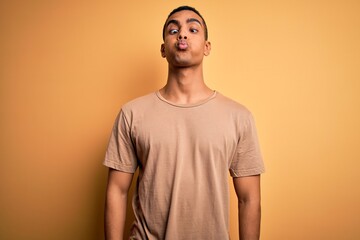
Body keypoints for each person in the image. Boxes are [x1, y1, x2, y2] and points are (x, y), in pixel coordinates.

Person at [104, 5, 265, 240]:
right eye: (173, 30)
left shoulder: (238, 117)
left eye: (193, 28)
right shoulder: (132, 114)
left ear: (207, 47)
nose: (182, 34)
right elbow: (116, 191)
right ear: (163, 49)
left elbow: (249, 199)